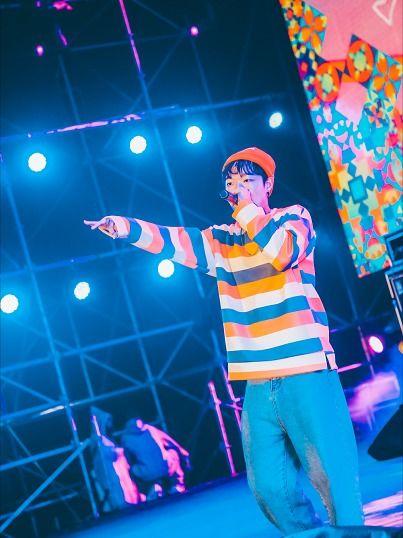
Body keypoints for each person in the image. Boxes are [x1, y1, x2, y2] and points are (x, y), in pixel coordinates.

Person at [84, 147, 363, 534]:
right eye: (233, 182)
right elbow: (174, 241)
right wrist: (125, 227)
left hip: (307, 370)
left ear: (268, 185)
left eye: (249, 180)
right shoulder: (222, 241)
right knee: (270, 488)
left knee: (334, 480)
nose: (240, 188)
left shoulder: (293, 218)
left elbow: (282, 254)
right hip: (258, 382)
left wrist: (247, 210)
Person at [121, 418, 189, 499]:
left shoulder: (125, 438)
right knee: (172, 452)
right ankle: (176, 484)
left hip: (146, 473)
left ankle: (153, 487)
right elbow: (171, 442)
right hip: (165, 467)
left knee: (132, 469)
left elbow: (128, 459)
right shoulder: (151, 429)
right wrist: (185, 456)